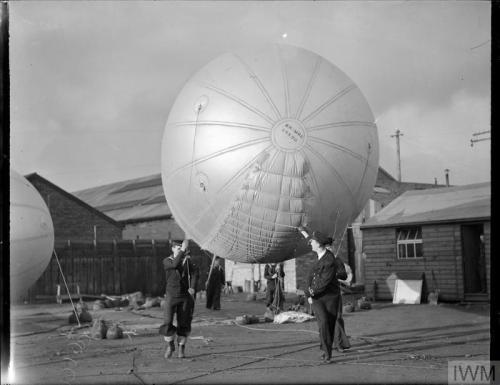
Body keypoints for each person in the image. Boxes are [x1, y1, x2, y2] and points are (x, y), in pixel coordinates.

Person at [300, 228, 347, 363]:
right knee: (324, 323)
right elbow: (310, 239)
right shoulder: (320, 255)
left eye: (313, 242)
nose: (311, 244)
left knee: (330, 324)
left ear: (319, 244)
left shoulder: (330, 260)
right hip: (318, 298)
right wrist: (303, 230)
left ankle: (327, 348)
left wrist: (310, 292)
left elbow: (323, 283)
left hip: (330, 297)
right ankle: (327, 353)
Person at [159, 239, 199, 359]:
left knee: (184, 323)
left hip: (185, 297)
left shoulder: (187, 261)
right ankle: (170, 345)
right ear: (172, 249)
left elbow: (195, 274)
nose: (180, 249)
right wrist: (183, 250)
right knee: (167, 322)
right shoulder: (167, 261)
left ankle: (181, 348)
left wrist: (192, 287)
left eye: (181, 247)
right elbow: (175, 265)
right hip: (171, 296)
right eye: (178, 247)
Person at [325, 238, 352, 353]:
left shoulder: (337, 260)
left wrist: (334, 274)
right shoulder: (320, 261)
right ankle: (327, 345)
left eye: (329, 247)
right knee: (325, 321)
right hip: (323, 295)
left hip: (335, 294)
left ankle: (340, 343)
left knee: (337, 319)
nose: (328, 250)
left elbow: (343, 275)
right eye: (326, 248)